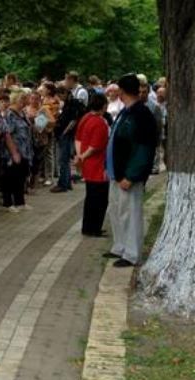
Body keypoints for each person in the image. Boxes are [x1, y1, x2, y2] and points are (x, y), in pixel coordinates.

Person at [104, 74, 157, 268]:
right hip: (116, 173)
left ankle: (132, 253)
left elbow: (143, 148)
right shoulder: (126, 112)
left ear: (122, 91)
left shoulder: (140, 114)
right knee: (117, 211)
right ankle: (119, 246)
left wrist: (132, 175)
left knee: (130, 213)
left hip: (127, 175)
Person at [74, 93, 110, 237]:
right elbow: (95, 146)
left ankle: (87, 226)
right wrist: (83, 155)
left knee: (90, 198)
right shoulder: (100, 122)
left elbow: (78, 139)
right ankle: (94, 228)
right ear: (103, 106)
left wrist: (79, 156)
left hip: (87, 165)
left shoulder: (85, 118)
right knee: (100, 199)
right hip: (98, 165)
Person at [1, 91, 34, 212]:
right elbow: (7, 134)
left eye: (25, 99)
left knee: (21, 176)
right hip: (13, 151)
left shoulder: (22, 113)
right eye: (22, 99)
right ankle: (8, 203)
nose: (24, 102)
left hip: (24, 150)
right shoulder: (10, 114)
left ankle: (20, 201)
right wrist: (14, 152)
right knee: (10, 177)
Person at [51, 87, 85, 193]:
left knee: (63, 160)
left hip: (65, 134)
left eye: (60, 95)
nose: (59, 98)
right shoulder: (69, 103)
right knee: (64, 160)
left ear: (64, 93)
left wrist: (64, 132)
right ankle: (67, 183)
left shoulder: (72, 104)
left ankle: (63, 184)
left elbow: (73, 120)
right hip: (66, 133)